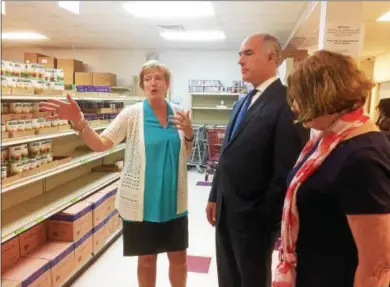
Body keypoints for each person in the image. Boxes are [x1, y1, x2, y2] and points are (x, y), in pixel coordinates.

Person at [41, 60, 194, 287]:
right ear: (142, 84)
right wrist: (79, 121)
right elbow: (102, 144)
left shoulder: (180, 114)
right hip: (142, 202)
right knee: (147, 259)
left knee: (179, 256)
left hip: (174, 200)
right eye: (148, 78)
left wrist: (189, 133)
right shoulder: (131, 115)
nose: (153, 83)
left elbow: (186, 155)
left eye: (158, 78)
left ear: (167, 83)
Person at [273, 50, 390, 287]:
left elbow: (377, 263)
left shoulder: (361, 156)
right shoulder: (328, 140)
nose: (295, 107)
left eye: (300, 98)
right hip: (312, 270)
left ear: (323, 96)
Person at [205, 33, 309, 287]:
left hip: (254, 217)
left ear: (272, 57)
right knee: (228, 276)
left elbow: (286, 169)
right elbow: (228, 153)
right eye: (240, 54)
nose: (240, 60)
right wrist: (214, 195)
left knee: (251, 279)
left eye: (247, 53)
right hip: (227, 208)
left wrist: (264, 219)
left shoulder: (286, 103)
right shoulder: (242, 102)